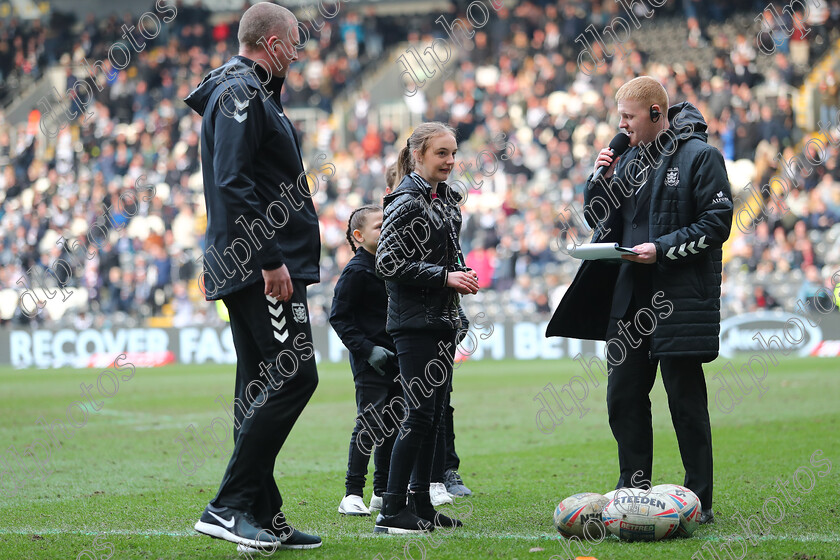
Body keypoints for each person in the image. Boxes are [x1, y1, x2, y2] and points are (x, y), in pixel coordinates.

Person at [546, 76, 733, 524]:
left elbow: (718, 223)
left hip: (677, 299)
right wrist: (598, 179)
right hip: (627, 299)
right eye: (620, 117)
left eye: (628, 117)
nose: (622, 125)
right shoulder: (626, 161)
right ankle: (634, 491)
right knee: (622, 397)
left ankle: (699, 501)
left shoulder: (701, 156)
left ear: (655, 113)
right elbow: (600, 219)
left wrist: (662, 248)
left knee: (685, 402)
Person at [184, 2, 321, 552]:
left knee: (259, 382)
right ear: (269, 42)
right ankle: (229, 506)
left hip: (246, 261)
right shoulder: (241, 91)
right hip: (258, 265)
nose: (298, 52)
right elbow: (234, 182)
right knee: (294, 376)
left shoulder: (250, 89)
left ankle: (263, 511)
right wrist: (269, 259)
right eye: (293, 42)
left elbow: (238, 180)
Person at [373, 122, 480, 534]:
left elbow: (446, 256)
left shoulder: (444, 198)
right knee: (418, 415)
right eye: (441, 153)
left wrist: (458, 278)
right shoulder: (404, 199)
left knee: (432, 417)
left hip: (438, 321)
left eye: (453, 153)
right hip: (414, 323)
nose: (451, 161)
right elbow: (387, 263)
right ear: (418, 155)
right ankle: (392, 509)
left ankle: (419, 504)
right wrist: (445, 277)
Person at [330, 203, 401, 517]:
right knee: (369, 424)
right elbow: (339, 317)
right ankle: (352, 493)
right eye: (378, 225)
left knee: (392, 424)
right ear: (358, 236)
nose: (386, 228)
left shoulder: (392, 263)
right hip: (370, 361)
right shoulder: (357, 270)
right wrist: (368, 350)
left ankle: (382, 491)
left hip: (397, 358)